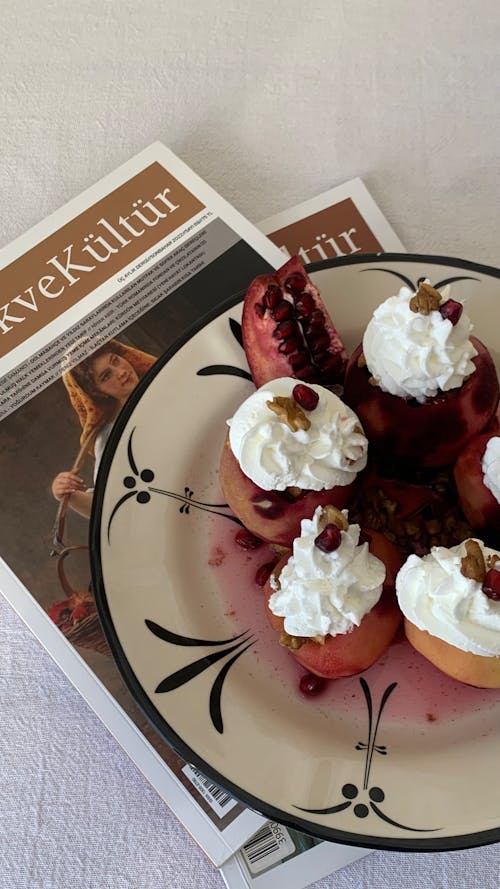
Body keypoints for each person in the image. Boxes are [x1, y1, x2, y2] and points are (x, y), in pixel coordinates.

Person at [51, 339, 156, 519]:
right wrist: (66, 494)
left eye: (115, 361)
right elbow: (109, 506)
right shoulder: (111, 436)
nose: (121, 372)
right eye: (106, 376)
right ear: (97, 391)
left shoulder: (170, 378)